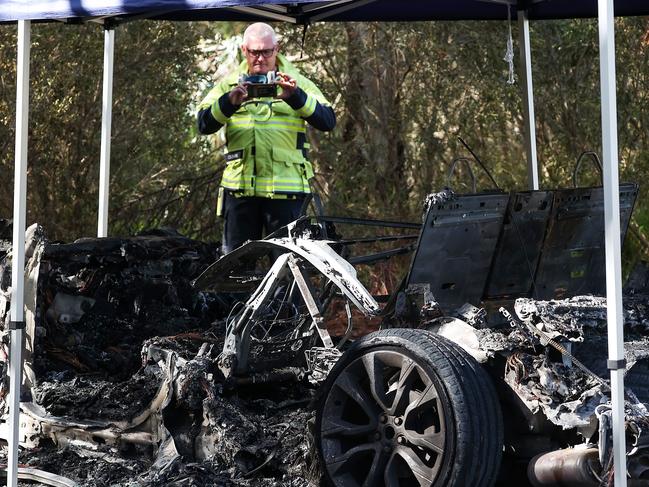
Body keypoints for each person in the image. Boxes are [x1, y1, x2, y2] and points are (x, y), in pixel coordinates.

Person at [197, 23, 336, 254]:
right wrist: (227, 103)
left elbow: (327, 120)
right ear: (244, 50)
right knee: (235, 273)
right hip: (240, 194)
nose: (260, 58)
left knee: (287, 271)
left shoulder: (296, 82)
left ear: (277, 49)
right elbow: (203, 124)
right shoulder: (229, 84)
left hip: (286, 194)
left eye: (266, 52)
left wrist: (296, 98)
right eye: (254, 52)